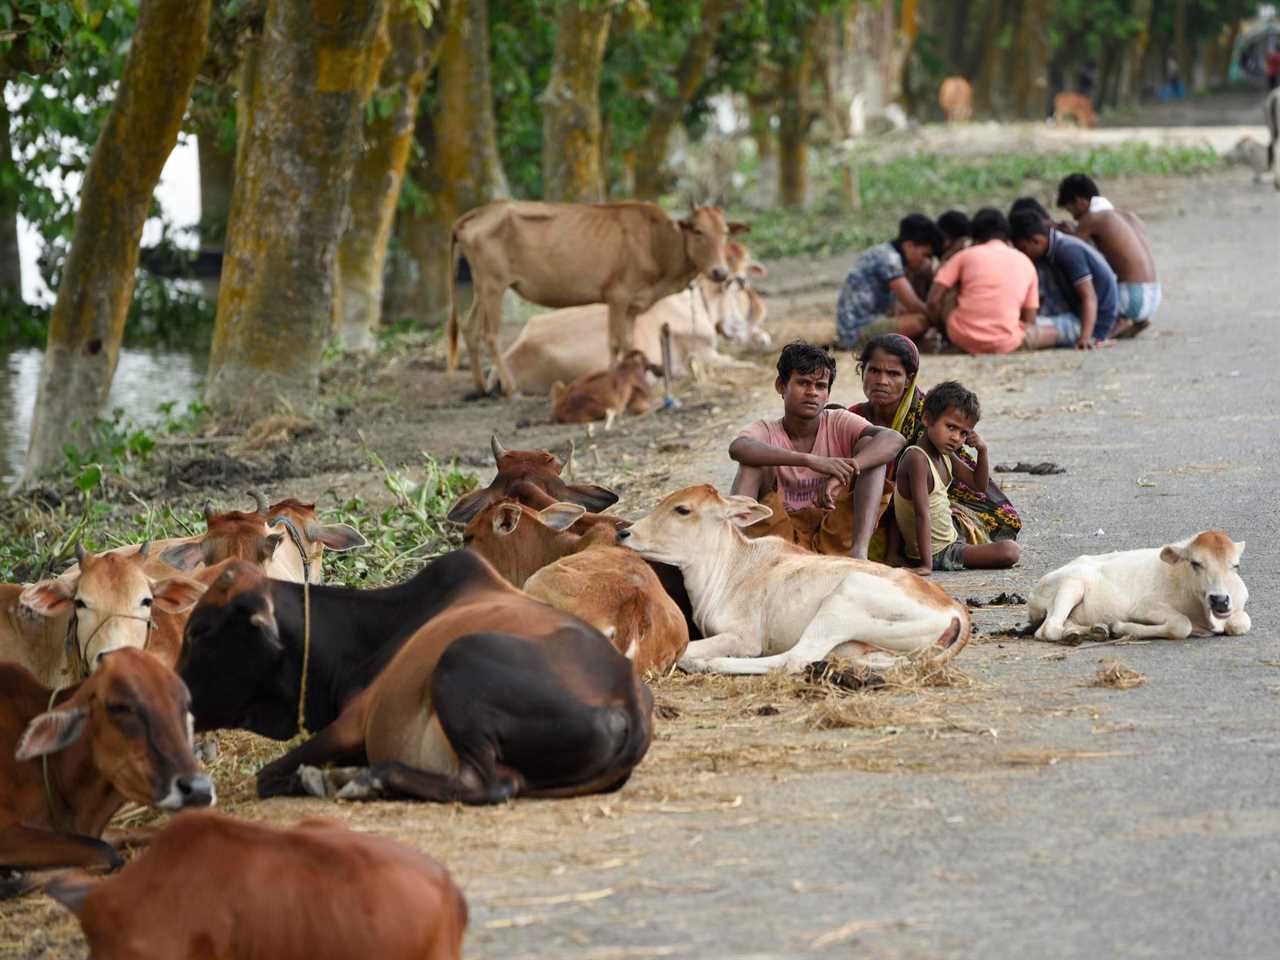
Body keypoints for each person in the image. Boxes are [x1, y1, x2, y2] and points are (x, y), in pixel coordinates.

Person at [849, 333, 1022, 560]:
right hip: (876, 507)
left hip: (929, 505)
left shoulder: (929, 416)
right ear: (862, 371)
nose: (882, 381)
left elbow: (966, 484)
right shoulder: (853, 417)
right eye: (874, 371)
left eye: (893, 374)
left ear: (909, 380)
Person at [730, 341, 905, 559]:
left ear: (828, 394)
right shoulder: (766, 430)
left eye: (821, 386)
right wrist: (810, 460)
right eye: (803, 383)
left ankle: (859, 554)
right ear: (781, 386)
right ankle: (731, 552)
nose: (812, 392)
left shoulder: (838, 421)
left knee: (870, 448)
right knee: (753, 463)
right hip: (781, 537)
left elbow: (894, 438)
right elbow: (738, 448)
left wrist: (849, 469)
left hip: (833, 533)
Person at [887, 381, 1020, 575]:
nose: (956, 438)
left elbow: (978, 486)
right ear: (927, 419)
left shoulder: (945, 456)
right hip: (939, 553)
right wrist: (926, 565)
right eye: (951, 427)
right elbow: (920, 514)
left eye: (964, 433)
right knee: (1010, 550)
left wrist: (982, 451)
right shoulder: (917, 459)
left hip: (947, 540)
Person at [1056, 173, 1160, 338]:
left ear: (1080, 201)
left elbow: (1073, 249)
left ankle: (1116, 323)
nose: (1074, 216)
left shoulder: (1091, 218)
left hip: (1132, 299)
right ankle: (1133, 319)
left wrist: (1066, 232)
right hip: (1153, 296)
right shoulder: (1127, 216)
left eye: (1071, 210)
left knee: (1084, 284)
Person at [924, 208, 1040, 355]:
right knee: (1052, 333)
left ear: (974, 236)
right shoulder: (1026, 262)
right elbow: (1030, 319)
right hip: (1008, 342)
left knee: (949, 287)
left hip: (961, 337)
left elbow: (933, 301)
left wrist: (943, 330)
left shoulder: (963, 256)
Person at [1010, 209, 1118, 349]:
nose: (1024, 255)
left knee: (1023, 329)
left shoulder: (1067, 252)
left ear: (1036, 240)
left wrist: (1085, 338)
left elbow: (1089, 296)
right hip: (1078, 313)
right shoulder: (1053, 248)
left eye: (1024, 249)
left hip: (1094, 323)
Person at [835, 214, 943, 348]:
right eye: (925, 255)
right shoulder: (890, 259)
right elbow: (912, 303)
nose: (926, 261)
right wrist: (941, 320)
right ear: (909, 246)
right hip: (856, 332)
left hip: (855, 326)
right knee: (920, 321)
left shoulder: (885, 252)